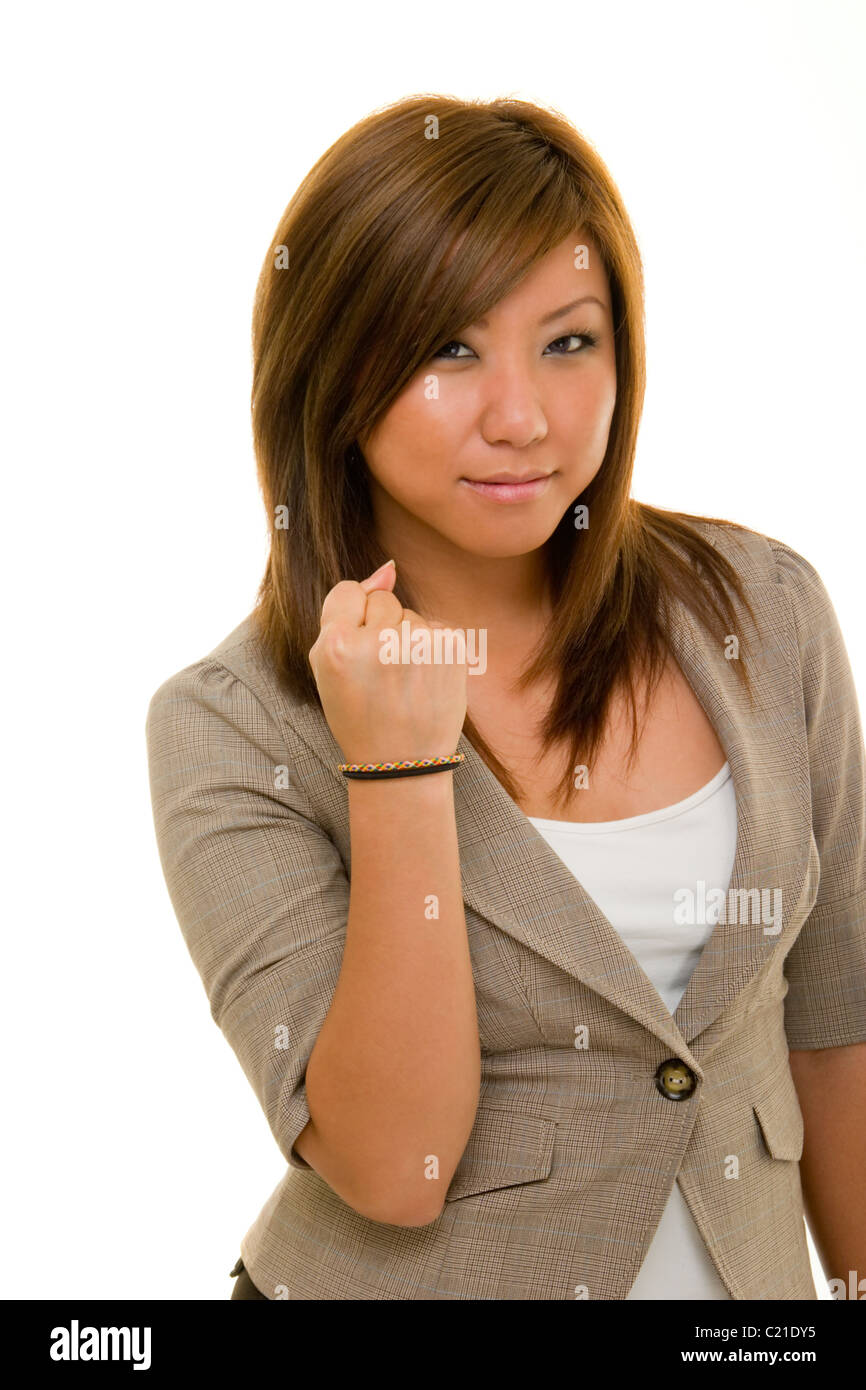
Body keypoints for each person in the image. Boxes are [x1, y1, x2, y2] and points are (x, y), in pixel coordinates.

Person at [145, 94, 866, 1300]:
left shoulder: (764, 609)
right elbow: (393, 1166)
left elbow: (836, 1021)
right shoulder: (229, 725)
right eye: (448, 350)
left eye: (568, 341)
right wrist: (395, 768)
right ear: (334, 375)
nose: (523, 417)